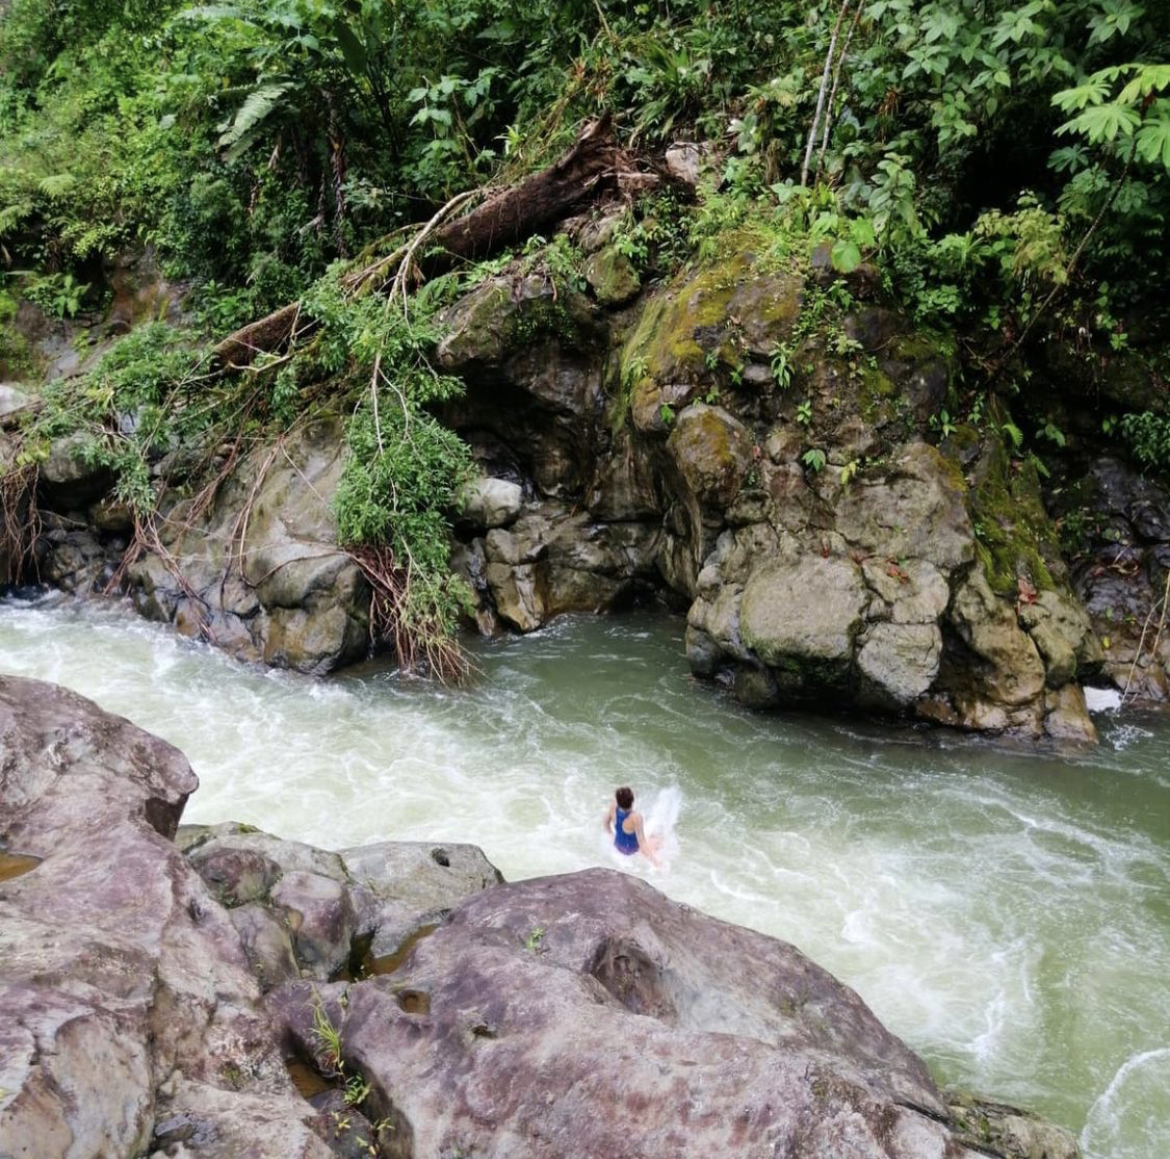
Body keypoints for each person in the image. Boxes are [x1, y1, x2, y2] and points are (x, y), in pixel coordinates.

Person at [604, 786, 661, 867]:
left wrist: (610, 836)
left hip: (617, 845)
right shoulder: (636, 818)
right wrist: (656, 863)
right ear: (632, 800)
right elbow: (642, 844)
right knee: (657, 839)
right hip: (631, 851)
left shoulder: (614, 806)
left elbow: (606, 823)